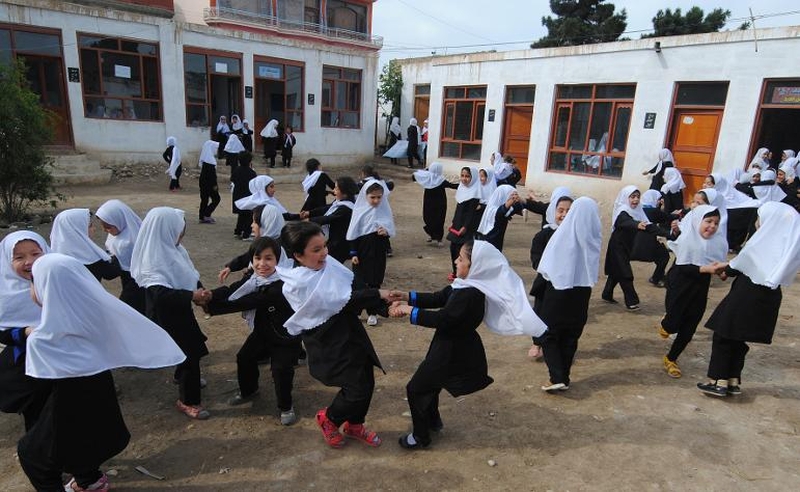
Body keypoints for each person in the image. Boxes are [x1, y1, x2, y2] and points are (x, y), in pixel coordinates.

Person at [18, 253, 184, 492]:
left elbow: (38, 387)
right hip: (97, 406)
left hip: (64, 412)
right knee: (85, 447)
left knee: (32, 456)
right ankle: (91, 481)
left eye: (33, 283)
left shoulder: (43, 338)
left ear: (46, 288)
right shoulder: (95, 318)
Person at [388, 240, 547, 449]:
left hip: (451, 349)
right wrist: (408, 296)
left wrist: (409, 310)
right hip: (448, 344)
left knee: (416, 388)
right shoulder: (465, 285)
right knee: (430, 385)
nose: (456, 261)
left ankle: (420, 436)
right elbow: (440, 297)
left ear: (476, 266)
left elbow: (444, 319)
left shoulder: (471, 293)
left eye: (461, 259)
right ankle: (432, 422)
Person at [278, 221, 393, 449]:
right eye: (316, 250)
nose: (325, 253)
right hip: (327, 341)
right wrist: (378, 293)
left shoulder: (329, 264)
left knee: (366, 379)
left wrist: (384, 307)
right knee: (355, 387)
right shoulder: (296, 284)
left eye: (325, 246)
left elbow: (354, 286)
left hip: (350, 332)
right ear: (298, 256)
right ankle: (329, 418)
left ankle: (354, 424)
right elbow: (339, 300)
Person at [697, 202, 800, 397]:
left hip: (747, 294)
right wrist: (729, 265)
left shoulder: (763, 242)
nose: (757, 222)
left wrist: (724, 268)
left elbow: (743, 264)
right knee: (738, 337)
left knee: (724, 334)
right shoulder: (784, 246)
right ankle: (733, 380)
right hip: (765, 295)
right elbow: (748, 264)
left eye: (761, 218)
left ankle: (718, 380)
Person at [200, 237, 302, 425]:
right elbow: (235, 289)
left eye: (269, 258)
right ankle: (249, 390)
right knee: (245, 357)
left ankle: (286, 407)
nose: (262, 264)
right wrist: (211, 294)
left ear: (278, 260)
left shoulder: (283, 284)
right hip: (263, 331)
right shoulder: (254, 278)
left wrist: (210, 307)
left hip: (285, 335)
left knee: (281, 370)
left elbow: (249, 301)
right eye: (257, 258)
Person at [131, 207, 211, 420]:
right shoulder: (152, 258)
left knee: (186, 349)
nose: (181, 235)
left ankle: (182, 377)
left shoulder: (174, 250)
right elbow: (159, 295)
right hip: (165, 315)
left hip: (179, 309)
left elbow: (188, 275)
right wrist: (192, 296)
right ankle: (188, 400)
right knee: (189, 354)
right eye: (179, 231)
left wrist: (199, 291)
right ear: (165, 231)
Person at [537, 197, 601, 391]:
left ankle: (556, 376)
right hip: (582, 293)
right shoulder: (594, 238)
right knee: (570, 336)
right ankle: (563, 377)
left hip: (558, 290)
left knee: (548, 333)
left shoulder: (563, 236)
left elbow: (547, 267)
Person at [659, 205, 727, 379]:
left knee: (689, 327)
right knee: (672, 324)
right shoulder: (687, 240)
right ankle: (667, 323)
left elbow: (718, 264)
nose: (712, 226)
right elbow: (683, 267)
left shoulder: (718, 243)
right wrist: (705, 269)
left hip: (700, 288)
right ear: (698, 220)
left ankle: (671, 358)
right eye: (708, 221)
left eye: (716, 223)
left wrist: (722, 272)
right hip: (680, 284)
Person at [0, 232, 50, 432]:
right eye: (19, 257)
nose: (29, 262)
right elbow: (3, 332)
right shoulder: (4, 293)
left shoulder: (57, 282)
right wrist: (26, 332)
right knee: (38, 415)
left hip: (63, 362)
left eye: (36, 254)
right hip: (28, 367)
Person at [602, 185, 669, 310]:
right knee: (625, 273)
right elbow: (623, 222)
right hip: (617, 246)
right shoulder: (623, 211)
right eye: (632, 197)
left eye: (638, 197)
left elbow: (650, 226)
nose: (636, 200)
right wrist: (636, 224)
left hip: (627, 246)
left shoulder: (639, 211)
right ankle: (631, 301)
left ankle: (607, 293)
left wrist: (669, 235)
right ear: (626, 198)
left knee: (617, 271)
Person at [527, 187, 572, 359]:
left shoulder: (576, 235)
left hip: (567, 284)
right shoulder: (544, 235)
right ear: (553, 211)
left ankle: (556, 345)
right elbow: (536, 260)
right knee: (541, 313)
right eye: (560, 211)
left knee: (563, 316)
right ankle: (537, 343)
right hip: (546, 283)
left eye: (569, 211)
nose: (564, 215)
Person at [346, 179, 395, 327]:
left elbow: (390, 232)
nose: (376, 200)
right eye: (372, 197)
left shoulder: (384, 210)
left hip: (378, 252)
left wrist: (385, 232)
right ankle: (356, 310)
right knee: (359, 282)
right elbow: (353, 234)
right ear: (365, 196)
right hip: (361, 252)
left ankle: (373, 312)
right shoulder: (359, 211)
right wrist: (353, 253)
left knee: (375, 281)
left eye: (379, 197)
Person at [95, 199, 146, 313]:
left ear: (120, 221)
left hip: (136, 284)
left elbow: (113, 271)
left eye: (108, 227)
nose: (104, 230)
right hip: (128, 280)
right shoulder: (122, 233)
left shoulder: (128, 242)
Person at [50, 208, 120, 282]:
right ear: (77, 229)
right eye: (90, 225)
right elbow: (111, 273)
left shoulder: (52, 257)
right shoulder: (88, 256)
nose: (94, 228)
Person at [304, 176, 358, 263]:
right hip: (334, 240)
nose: (333, 191)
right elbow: (327, 208)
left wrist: (310, 220)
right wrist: (309, 213)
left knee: (330, 264)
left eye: (336, 189)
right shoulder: (339, 202)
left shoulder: (346, 207)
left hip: (340, 243)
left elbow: (329, 218)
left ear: (345, 193)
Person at [708, 173, 759, 253]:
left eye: (709, 184)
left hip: (741, 214)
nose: (705, 185)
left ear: (718, 185)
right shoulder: (714, 193)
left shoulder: (727, 194)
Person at [446, 166, 482, 278]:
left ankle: (463, 274)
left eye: (467, 176)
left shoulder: (475, 193)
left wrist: (465, 227)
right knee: (453, 248)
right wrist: (453, 223)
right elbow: (458, 210)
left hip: (466, 228)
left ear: (473, 178)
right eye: (462, 176)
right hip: (457, 225)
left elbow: (471, 213)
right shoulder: (462, 189)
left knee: (462, 251)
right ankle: (455, 271)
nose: (464, 179)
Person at [412, 162, 458, 246]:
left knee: (439, 220)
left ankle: (439, 238)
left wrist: (464, 184)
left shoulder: (440, 180)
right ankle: (432, 235)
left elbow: (452, 186)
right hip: (430, 203)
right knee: (428, 218)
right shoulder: (427, 177)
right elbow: (414, 177)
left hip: (439, 204)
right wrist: (425, 171)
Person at [640, 189, 674, 287]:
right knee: (664, 256)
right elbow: (666, 217)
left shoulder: (640, 208)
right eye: (659, 199)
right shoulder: (652, 211)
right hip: (645, 242)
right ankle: (656, 278)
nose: (660, 201)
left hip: (633, 241)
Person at [476, 184, 523, 251]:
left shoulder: (508, 207)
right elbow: (499, 213)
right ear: (503, 195)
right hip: (489, 240)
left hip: (497, 240)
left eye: (515, 195)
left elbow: (516, 208)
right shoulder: (492, 210)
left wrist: (525, 201)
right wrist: (507, 204)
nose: (514, 198)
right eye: (512, 196)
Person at [231, 152, 257, 240]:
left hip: (238, 194)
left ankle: (238, 231)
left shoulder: (236, 170)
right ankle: (246, 234)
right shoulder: (251, 172)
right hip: (248, 195)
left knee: (241, 214)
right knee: (248, 215)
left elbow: (233, 179)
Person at [198, 140, 221, 224]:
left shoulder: (206, 160)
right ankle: (206, 214)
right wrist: (215, 186)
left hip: (203, 182)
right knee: (217, 199)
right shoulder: (210, 161)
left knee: (204, 199)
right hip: (209, 184)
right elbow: (212, 177)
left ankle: (202, 216)